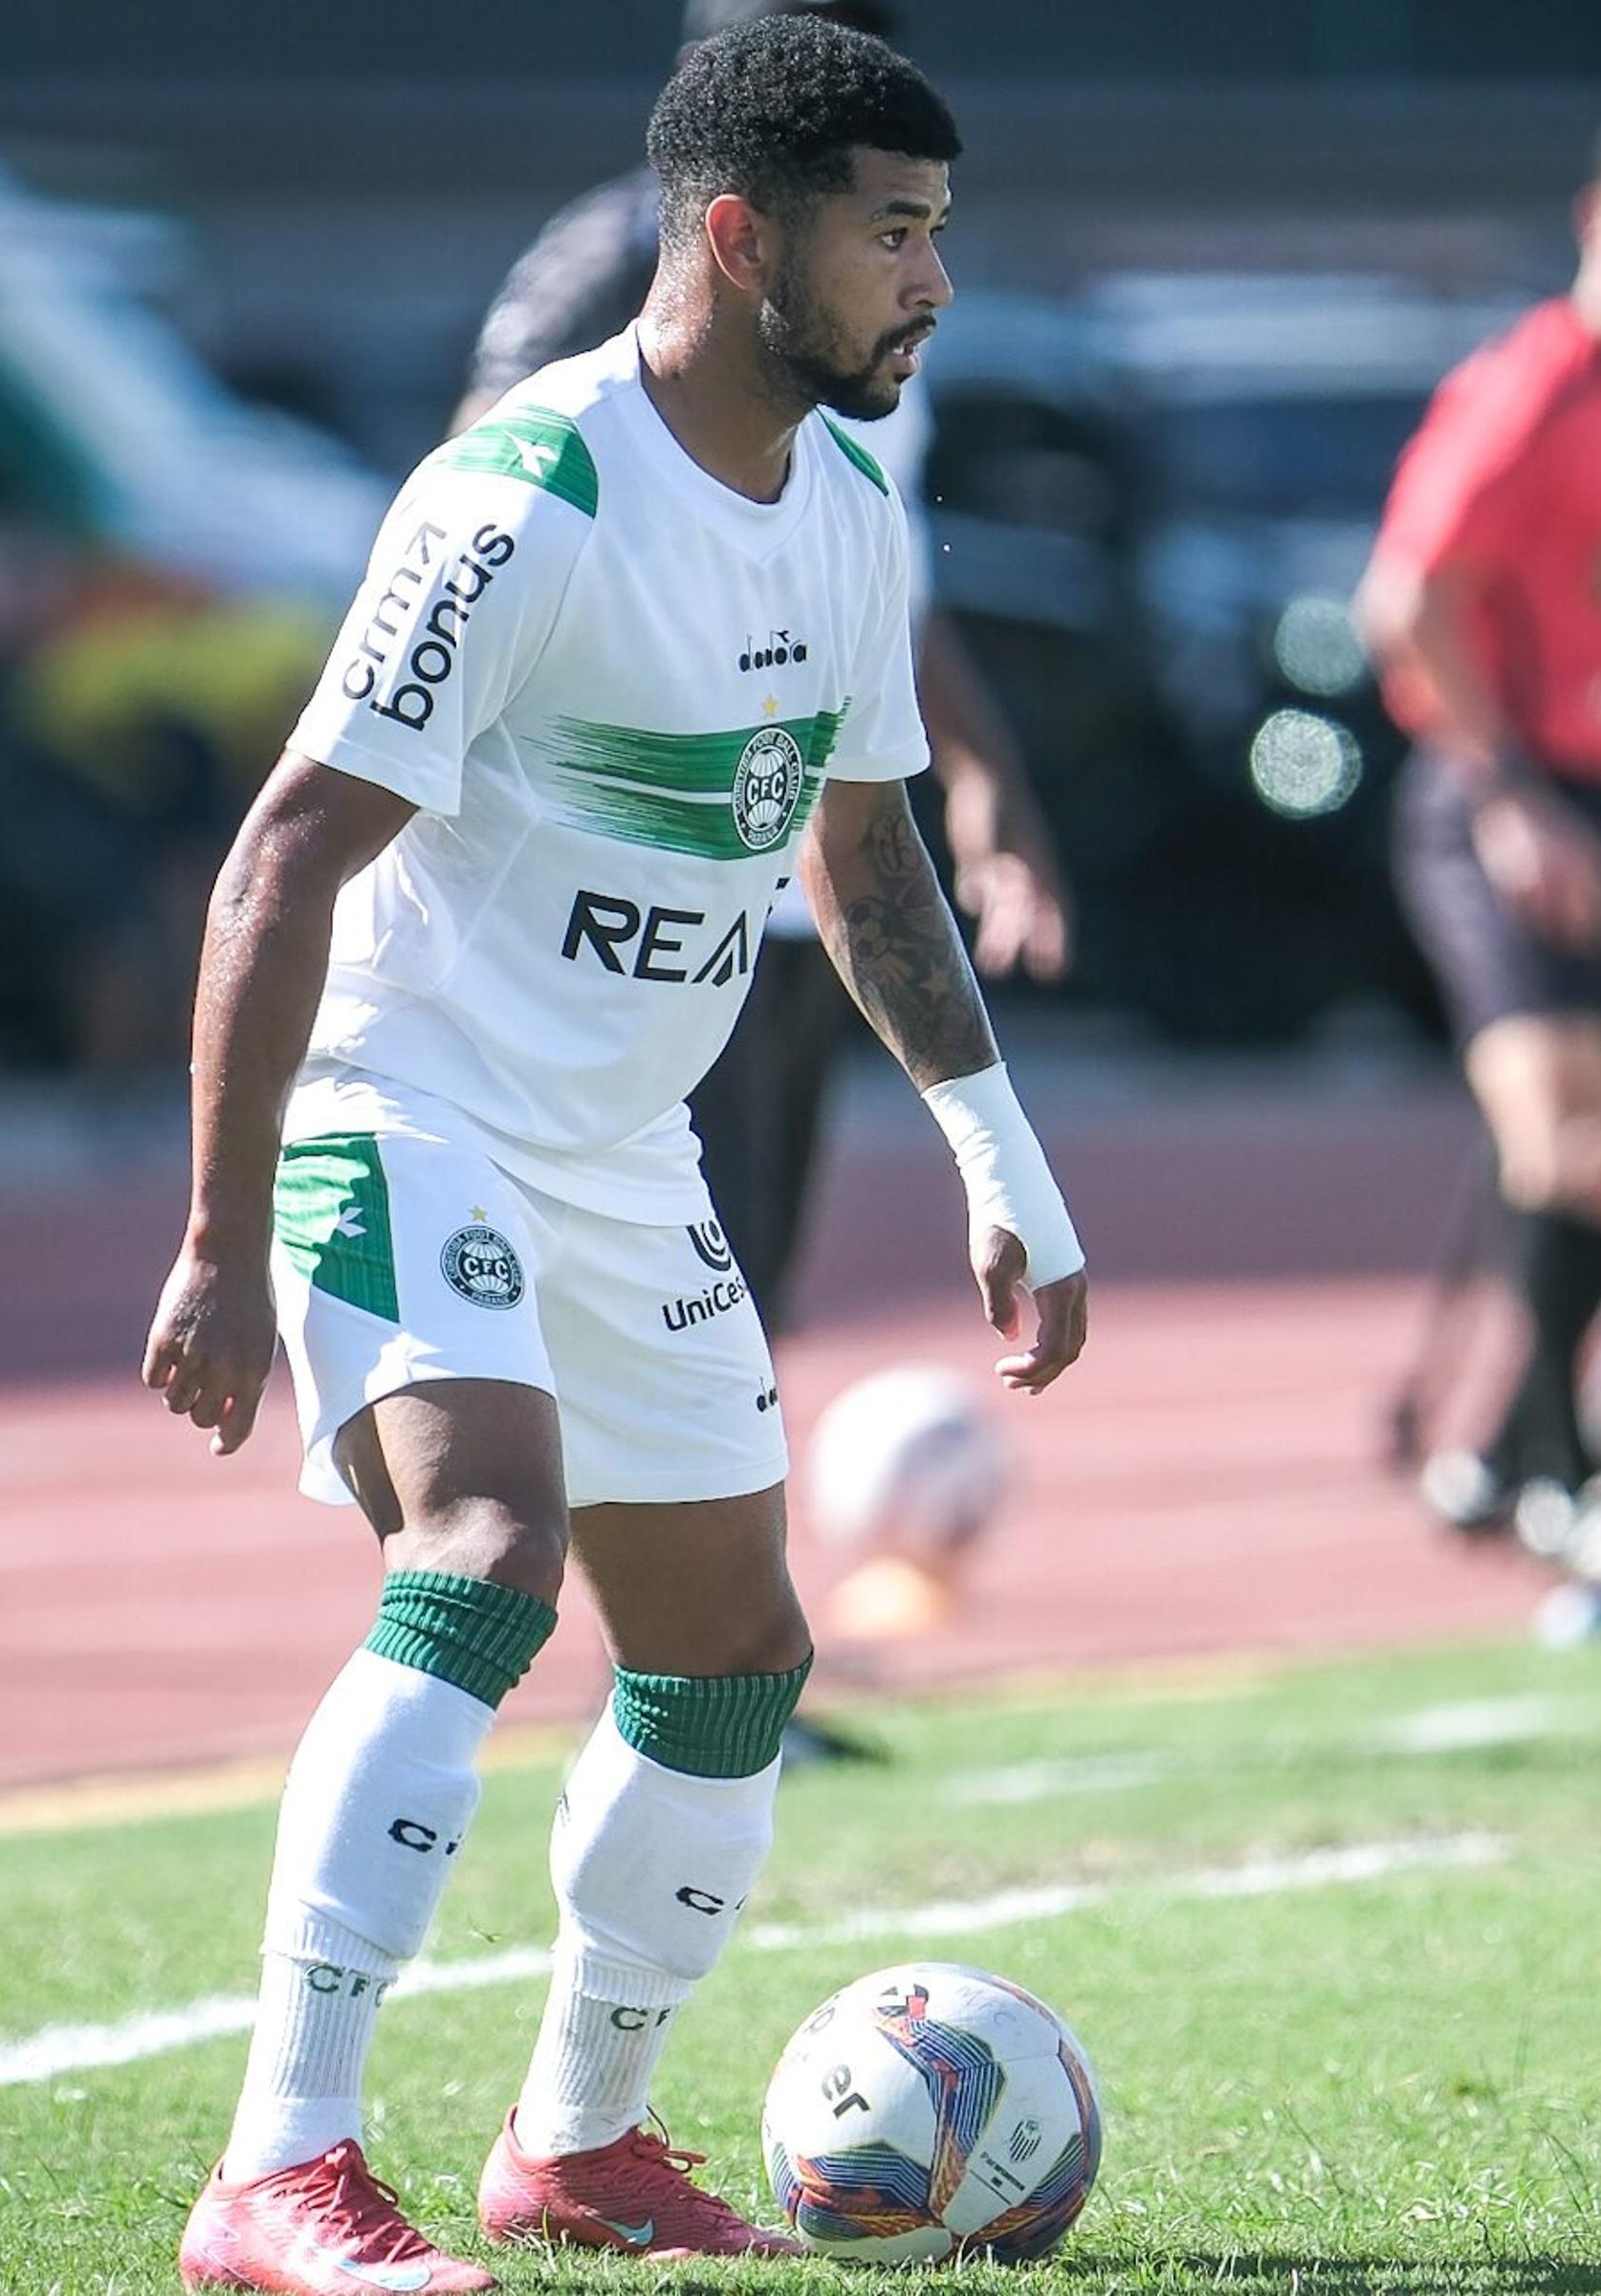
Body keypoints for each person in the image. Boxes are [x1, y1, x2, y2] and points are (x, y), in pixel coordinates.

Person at [141, 22, 1087, 2290]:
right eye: (894, 233)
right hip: (409, 1096)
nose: (931, 283)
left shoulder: (853, 516)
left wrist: (1003, 1156)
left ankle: (576, 2144)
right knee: (483, 1549)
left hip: (618, 1140)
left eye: (942, 232)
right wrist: (211, 1229)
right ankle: (277, 2172)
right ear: (738, 234)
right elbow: (281, 857)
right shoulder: (522, 497)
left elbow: (868, 874)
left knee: (735, 1648)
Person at [464, 0, 1069, 1325]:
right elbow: (486, 523)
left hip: (795, 874)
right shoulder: (618, 259)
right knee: (634, 1315)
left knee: (746, 1292)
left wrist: (979, 774)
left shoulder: (873, 312)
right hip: (624, 882)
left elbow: (874, 583)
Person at [1356, 95, 1601, 1537]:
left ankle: (1512, 1448)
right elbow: (1401, 604)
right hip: (1497, 802)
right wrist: (1511, 801)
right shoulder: (1538, 383)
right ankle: (1550, 1465)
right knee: (1569, 1146)